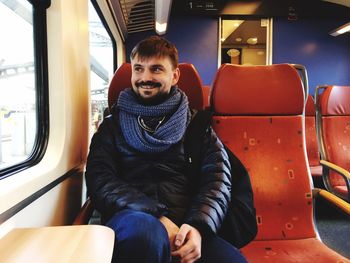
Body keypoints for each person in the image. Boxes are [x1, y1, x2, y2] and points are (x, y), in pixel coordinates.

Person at [85, 36, 247, 263]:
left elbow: (217, 181)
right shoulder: (112, 125)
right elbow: (100, 179)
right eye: (138, 69)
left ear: (174, 76)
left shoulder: (197, 125)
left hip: (186, 222)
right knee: (145, 233)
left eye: (156, 69)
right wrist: (156, 215)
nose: (145, 78)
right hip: (131, 219)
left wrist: (198, 227)